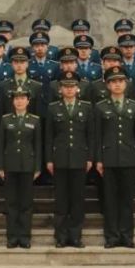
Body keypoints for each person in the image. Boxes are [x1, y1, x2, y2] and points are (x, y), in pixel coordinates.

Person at [93, 68, 135, 249]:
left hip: (129, 157)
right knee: (110, 200)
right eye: (113, 82)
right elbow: (97, 136)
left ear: (125, 84)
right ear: (107, 85)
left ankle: (127, 236)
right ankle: (112, 236)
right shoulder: (100, 106)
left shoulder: (134, 106)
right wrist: (98, 159)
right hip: (108, 158)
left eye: (120, 81)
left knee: (127, 200)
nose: (117, 84)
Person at [46, 71, 93, 248]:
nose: (69, 89)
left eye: (72, 86)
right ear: (61, 89)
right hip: (60, 159)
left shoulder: (86, 107)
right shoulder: (53, 108)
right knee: (61, 200)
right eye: (66, 86)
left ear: (77, 88)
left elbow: (91, 136)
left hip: (80, 158)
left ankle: (75, 236)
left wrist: (90, 157)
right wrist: (49, 159)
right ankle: (61, 236)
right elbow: (49, 136)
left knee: (77, 200)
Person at [0, 87, 41, 248]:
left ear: (28, 101)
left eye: (23, 98)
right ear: (13, 101)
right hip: (10, 165)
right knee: (11, 203)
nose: (19, 101)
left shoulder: (35, 120)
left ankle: (24, 236)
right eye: (16, 98)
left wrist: (37, 167)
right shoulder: (5, 119)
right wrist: (0, 166)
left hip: (28, 166)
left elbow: (38, 145)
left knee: (26, 203)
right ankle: (12, 236)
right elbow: (1, 144)